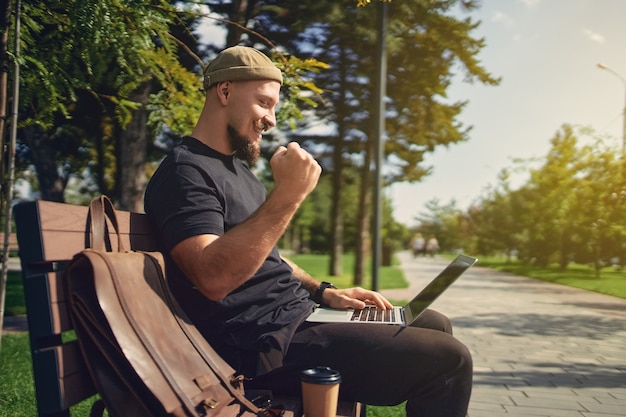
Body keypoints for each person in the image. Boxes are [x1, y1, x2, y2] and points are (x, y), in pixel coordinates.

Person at [144, 45, 472, 417]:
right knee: (451, 361)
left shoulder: (241, 174)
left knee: (434, 322)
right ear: (225, 92)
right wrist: (289, 194)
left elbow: (267, 256)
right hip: (261, 346)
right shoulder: (185, 172)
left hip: (296, 318)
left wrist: (325, 292)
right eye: (264, 103)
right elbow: (211, 276)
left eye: (273, 108)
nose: (271, 120)